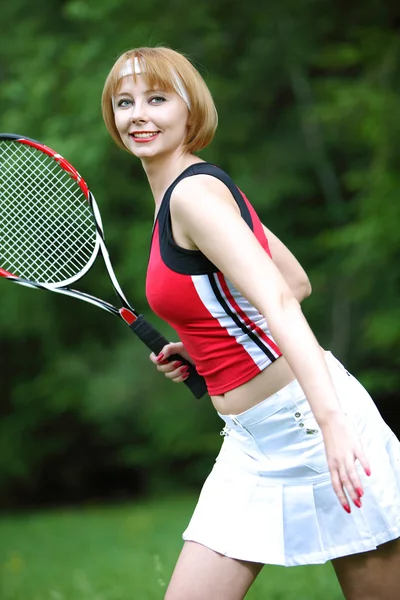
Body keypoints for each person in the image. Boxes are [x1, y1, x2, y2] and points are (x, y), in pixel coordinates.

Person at [101, 47, 400, 600]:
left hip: (313, 426)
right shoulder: (189, 190)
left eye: (157, 98)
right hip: (252, 444)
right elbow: (295, 280)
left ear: (191, 111)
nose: (138, 113)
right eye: (125, 102)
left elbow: (285, 303)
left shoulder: (194, 195)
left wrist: (334, 423)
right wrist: (200, 346)